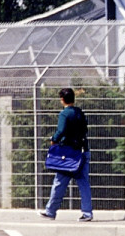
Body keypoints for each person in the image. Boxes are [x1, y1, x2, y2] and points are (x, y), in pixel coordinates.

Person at [39, 88, 93, 222]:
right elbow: (85, 129)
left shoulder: (64, 114)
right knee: (83, 183)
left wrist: (54, 139)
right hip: (82, 152)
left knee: (59, 182)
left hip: (68, 155)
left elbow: (61, 130)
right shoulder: (80, 112)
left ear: (62, 99)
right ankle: (87, 213)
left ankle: (51, 211)